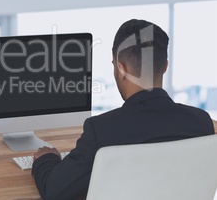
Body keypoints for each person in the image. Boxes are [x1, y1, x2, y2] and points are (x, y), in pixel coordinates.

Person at [32, 19, 216, 200]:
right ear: (165, 66)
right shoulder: (201, 123)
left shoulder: (101, 130)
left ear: (121, 69)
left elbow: (53, 190)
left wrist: (46, 159)